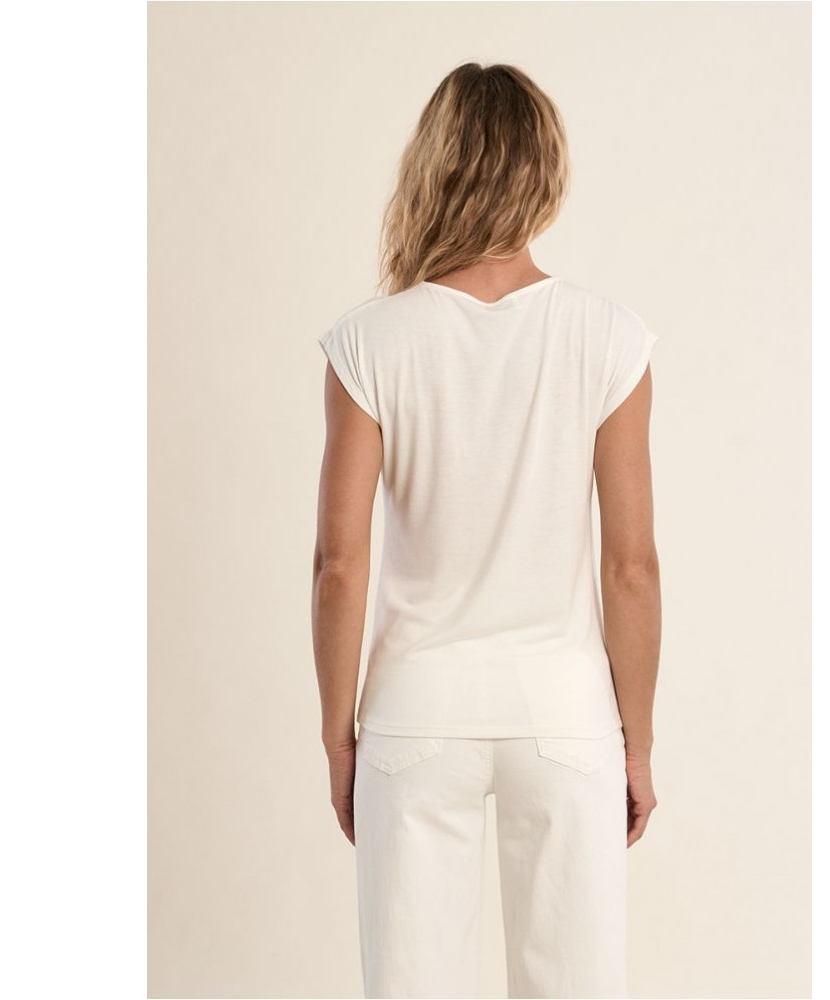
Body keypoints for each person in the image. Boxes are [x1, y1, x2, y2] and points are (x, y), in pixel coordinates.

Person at [312, 61, 661, 1000]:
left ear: (434, 164)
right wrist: (636, 743)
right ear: (546, 170)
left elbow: (340, 564)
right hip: (564, 714)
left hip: (416, 713)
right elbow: (631, 567)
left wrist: (338, 739)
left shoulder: (370, 341)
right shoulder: (609, 337)